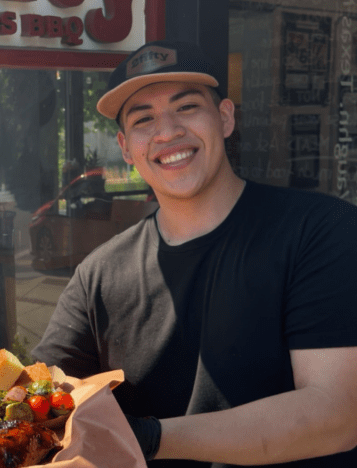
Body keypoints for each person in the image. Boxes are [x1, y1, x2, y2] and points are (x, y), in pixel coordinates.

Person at [31, 40, 357, 467]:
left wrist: (148, 437)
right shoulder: (99, 275)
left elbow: (336, 414)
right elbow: (37, 397)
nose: (167, 132)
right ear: (127, 148)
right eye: (143, 119)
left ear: (224, 117)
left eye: (186, 107)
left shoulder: (322, 229)